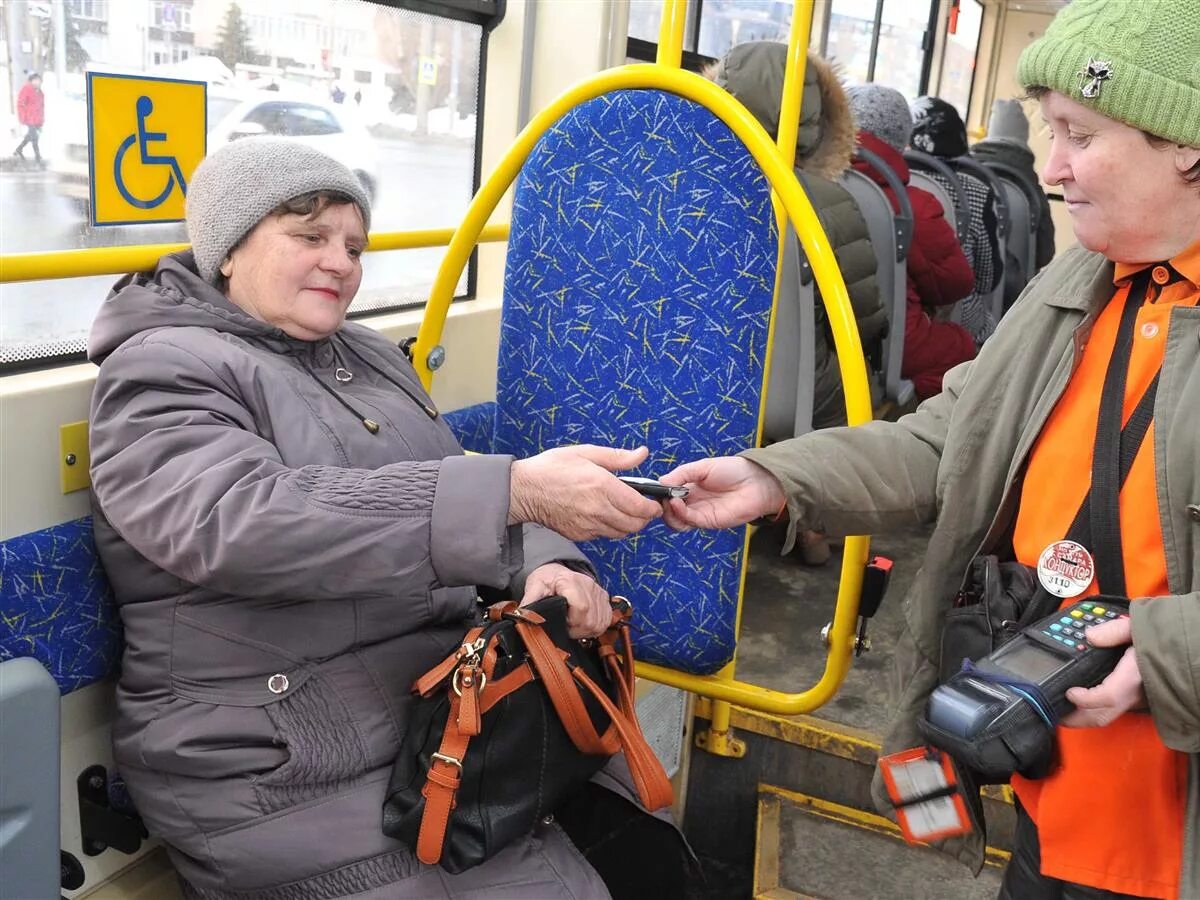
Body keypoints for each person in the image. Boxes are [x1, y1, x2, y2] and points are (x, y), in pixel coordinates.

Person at [657, 0, 1200, 895]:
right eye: (1051, 131)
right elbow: (949, 437)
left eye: (1081, 134)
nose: (1053, 167)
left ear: (1185, 142)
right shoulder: (1081, 283)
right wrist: (770, 476)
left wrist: (1168, 657)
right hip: (1050, 790)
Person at [87, 138, 684, 899]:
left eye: (354, 245)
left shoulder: (367, 356)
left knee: (642, 848)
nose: (341, 262)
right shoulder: (160, 368)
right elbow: (238, 519)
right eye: (309, 236)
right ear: (227, 251)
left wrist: (545, 562)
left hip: (427, 703)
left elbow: (450, 483)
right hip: (277, 751)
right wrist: (516, 493)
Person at [708, 42, 885, 566]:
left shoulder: (686, 189)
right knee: (844, 385)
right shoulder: (827, 200)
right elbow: (861, 315)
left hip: (698, 375)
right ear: (814, 115)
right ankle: (814, 527)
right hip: (790, 392)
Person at [847, 84, 977, 400]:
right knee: (962, 347)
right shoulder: (913, 206)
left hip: (828, 337)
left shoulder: (808, 185)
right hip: (893, 341)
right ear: (901, 139)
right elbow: (955, 284)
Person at [910, 95, 1005, 345]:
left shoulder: (884, 185)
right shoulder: (976, 192)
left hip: (893, 322)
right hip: (957, 324)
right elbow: (987, 280)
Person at [971, 98, 1056, 273]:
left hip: (966, 288)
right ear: (1023, 137)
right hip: (1015, 295)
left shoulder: (966, 176)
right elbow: (1045, 253)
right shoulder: (1032, 190)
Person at [12, 72, 45, 167]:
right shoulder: (27, 89)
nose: (37, 82)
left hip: (37, 120)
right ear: (31, 80)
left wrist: (42, 120)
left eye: (38, 80)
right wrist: (23, 117)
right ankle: (38, 157)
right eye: (35, 80)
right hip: (29, 118)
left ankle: (18, 149)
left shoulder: (40, 92)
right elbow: (20, 104)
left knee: (30, 136)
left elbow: (42, 107)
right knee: (34, 138)